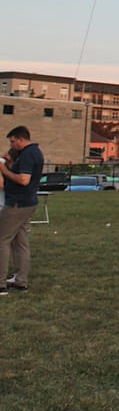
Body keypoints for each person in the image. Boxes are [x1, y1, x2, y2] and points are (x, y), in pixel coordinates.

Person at [0, 125, 44, 293]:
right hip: (28, 202)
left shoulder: (28, 154)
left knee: (2, 239)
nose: (11, 145)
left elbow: (24, 180)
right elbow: (20, 172)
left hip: (17, 204)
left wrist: (3, 170)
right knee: (20, 241)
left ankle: (1, 282)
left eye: (13, 142)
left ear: (20, 139)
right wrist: (10, 163)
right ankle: (20, 280)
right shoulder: (33, 152)